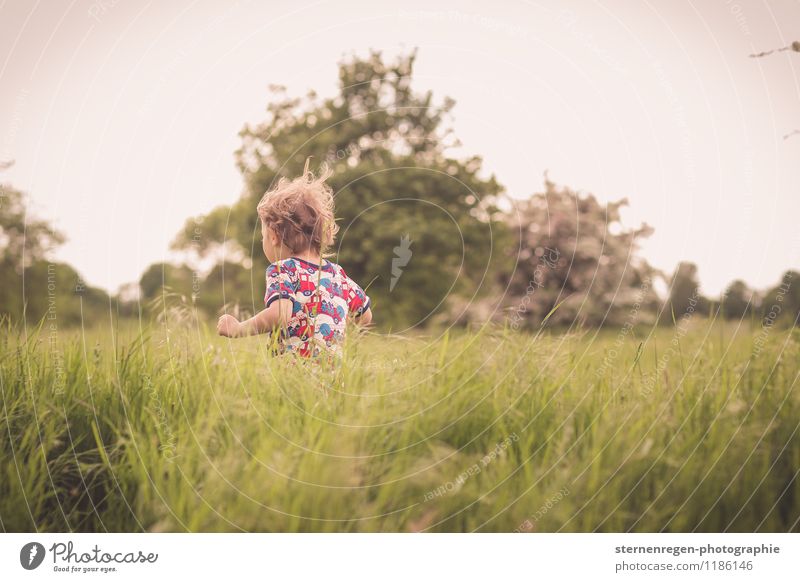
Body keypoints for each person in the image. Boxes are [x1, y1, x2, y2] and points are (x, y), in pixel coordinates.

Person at [216, 163, 372, 357]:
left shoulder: (284, 269)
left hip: (292, 374)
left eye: (263, 236)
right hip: (332, 377)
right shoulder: (337, 274)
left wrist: (238, 329)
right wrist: (336, 335)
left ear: (273, 236)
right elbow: (365, 315)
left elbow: (280, 314)